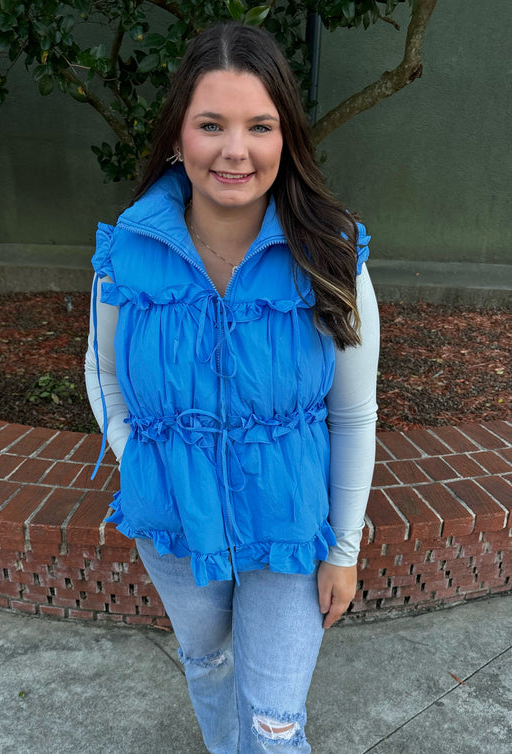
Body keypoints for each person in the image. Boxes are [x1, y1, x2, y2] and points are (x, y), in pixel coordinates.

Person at [85, 20, 379, 753]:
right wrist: (143, 458)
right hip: (176, 521)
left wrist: (342, 549)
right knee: (208, 662)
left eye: (259, 125)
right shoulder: (128, 249)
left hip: (287, 525)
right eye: (210, 124)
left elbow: (353, 414)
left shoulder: (332, 255)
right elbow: (103, 378)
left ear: (286, 138)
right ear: (179, 135)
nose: (234, 150)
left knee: (277, 721)